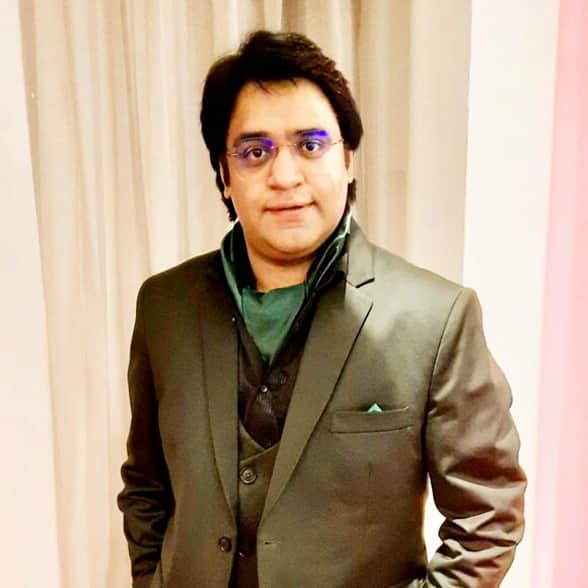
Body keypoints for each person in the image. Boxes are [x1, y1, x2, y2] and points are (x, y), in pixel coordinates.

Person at [118, 30, 526, 588]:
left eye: (310, 145)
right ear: (224, 174)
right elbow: (146, 486)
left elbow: (488, 515)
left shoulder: (436, 319)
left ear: (348, 158)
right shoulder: (164, 307)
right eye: (255, 152)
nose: (285, 177)